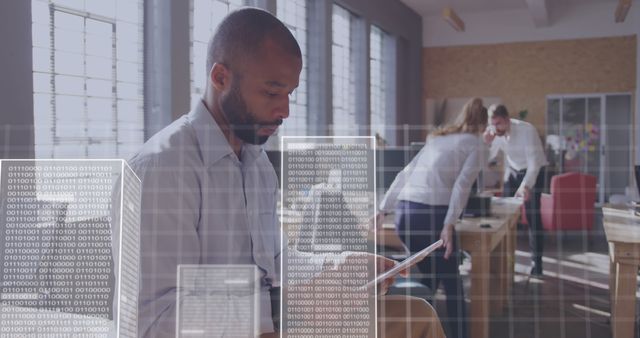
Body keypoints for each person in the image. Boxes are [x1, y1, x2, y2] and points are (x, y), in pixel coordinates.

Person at [129, 8, 444, 338]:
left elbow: (275, 261)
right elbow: (154, 318)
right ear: (220, 77)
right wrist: (284, 304)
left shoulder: (256, 163)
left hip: (270, 322)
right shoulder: (163, 169)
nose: (285, 110)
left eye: (290, 93)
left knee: (415, 316)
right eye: (271, 92)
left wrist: (338, 268)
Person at [379, 98, 489, 338]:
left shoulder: (438, 138)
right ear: (484, 123)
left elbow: (405, 172)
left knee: (430, 277)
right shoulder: (477, 144)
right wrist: (449, 224)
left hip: (405, 215)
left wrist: (382, 209)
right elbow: (462, 186)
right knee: (452, 283)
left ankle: (422, 328)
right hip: (432, 215)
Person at [483, 104, 547, 275]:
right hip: (513, 170)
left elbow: (534, 164)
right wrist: (486, 144)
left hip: (535, 170)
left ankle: (537, 263)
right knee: (504, 213)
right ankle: (504, 260)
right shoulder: (494, 132)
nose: (495, 128)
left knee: (533, 216)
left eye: (499, 124)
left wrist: (525, 186)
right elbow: (488, 158)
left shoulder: (527, 131)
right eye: (493, 124)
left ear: (507, 120)